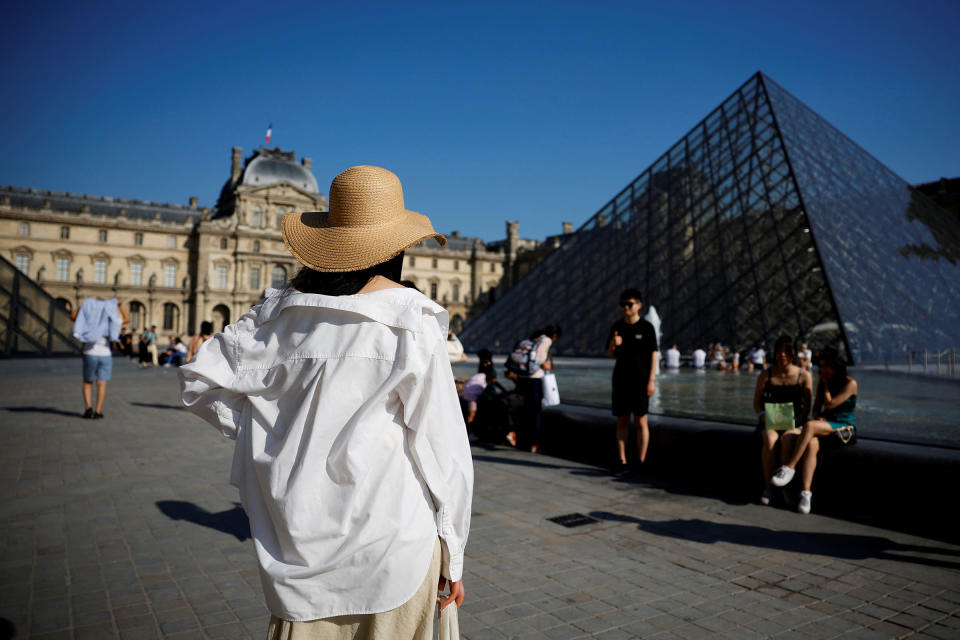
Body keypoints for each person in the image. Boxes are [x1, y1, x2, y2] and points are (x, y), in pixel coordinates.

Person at [180, 165, 473, 638]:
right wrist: (454, 555)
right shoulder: (411, 319)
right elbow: (444, 452)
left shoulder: (275, 316)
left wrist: (269, 425)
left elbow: (196, 381)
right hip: (395, 550)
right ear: (398, 247)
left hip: (297, 563)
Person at [772, 348, 857, 514]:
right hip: (824, 426)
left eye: (826, 366)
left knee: (810, 426)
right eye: (821, 366)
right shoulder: (822, 382)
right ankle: (805, 493)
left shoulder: (850, 383)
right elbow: (817, 409)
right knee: (792, 437)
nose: (823, 369)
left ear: (836, 366)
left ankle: (789, 468)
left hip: (844, 428)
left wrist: (825, 385)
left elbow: (831, 405)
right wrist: (819, 417)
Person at [753, 336, 813, 506]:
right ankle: (768, 487)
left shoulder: (804, 376)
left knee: (788, 439)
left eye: (787, 352)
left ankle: (784, 486)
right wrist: (762, 415)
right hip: (770, 420)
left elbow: (806, 407)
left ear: (793, 353)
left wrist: (798, 419)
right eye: (779, 351)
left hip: (795, 421)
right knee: (771, 439)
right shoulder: (766, 375)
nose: (782, 355)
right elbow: (756, 403)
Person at [607, 289, 658, 477]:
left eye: (628, 304)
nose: (625, 308)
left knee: (641, 421)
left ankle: (641, 461)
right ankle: (622, 461)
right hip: (620, 380)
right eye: (622, 304)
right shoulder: (616, 327)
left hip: (641, 381)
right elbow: (611, 354)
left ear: (639, 305)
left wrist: (651, 380)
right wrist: (614, 343)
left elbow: (654, 354)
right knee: (621, 420)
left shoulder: (647, 328)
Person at [71, 297, 129, 419]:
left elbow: (72, 317)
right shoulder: (110, 320)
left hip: (89, 353)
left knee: (87, 382)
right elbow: (127, 319)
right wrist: (120, 306)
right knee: (101, 384)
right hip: (105, 355)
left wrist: (84, 307)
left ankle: (88, 409)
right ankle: (98, 411)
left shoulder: (88, 321)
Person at [509, 324, 560, 452]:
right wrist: (546, 365)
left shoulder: (534, 338)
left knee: (526, 411)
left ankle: (522, 441)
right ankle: (533, 443)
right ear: (555, 335)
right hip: (534, 379)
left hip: (523, 378)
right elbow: (539, 360)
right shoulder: (546, 340)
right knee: (535, 412)